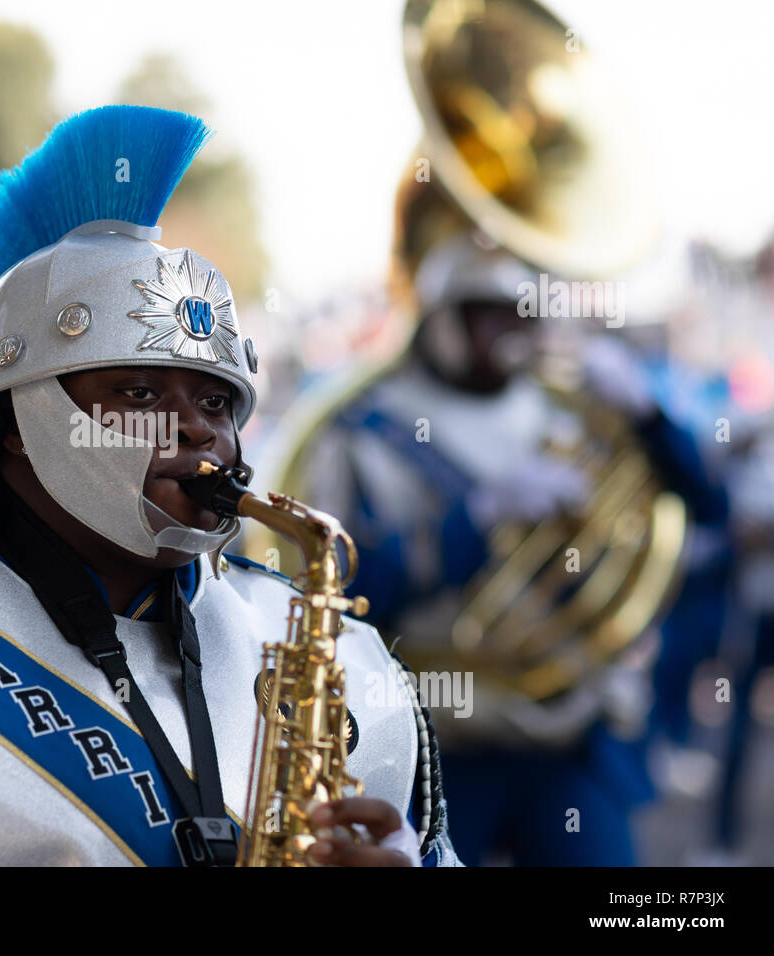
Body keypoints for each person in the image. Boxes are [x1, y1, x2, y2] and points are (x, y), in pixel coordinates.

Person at [0, 105, 459, 867]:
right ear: (15, 424)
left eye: (216, 401)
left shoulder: (348, 656)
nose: (195, 431)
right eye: (137, 394)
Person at [302, 232, 729, 866]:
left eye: (520, 314)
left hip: (569, 730)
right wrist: (472, 521)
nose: (511, 331)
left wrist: (650, 417)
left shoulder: (574, 412)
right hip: (436, 736)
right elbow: (334, 591)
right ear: (442, 318)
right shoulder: (364, 427)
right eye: (488, 314)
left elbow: (710, 506)